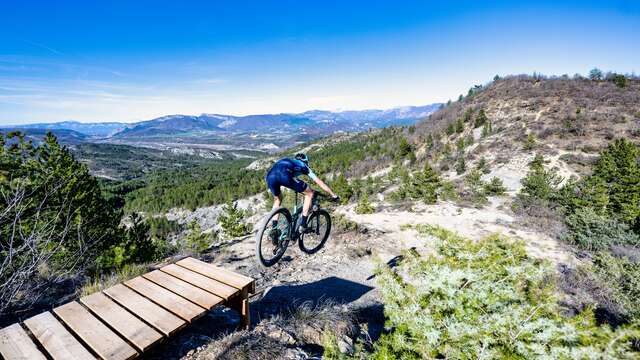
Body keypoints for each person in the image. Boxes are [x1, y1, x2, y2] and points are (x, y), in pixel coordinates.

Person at [265, 153, 339, 234]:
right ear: (305, 161)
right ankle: (303, 225)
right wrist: (333, 194)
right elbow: (319, 182)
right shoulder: (304, 166)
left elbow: (287, 174)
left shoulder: (290, 161)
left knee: (278, 199)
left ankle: (274, 229)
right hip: (284, 174)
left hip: (270, 176)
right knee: (309, 193)